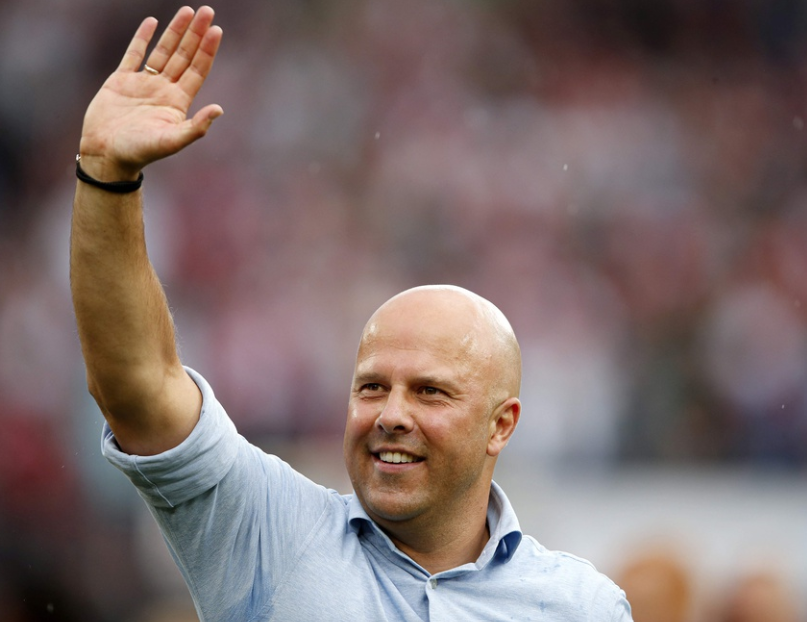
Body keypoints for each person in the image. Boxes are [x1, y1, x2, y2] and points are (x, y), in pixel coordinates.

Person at [70, 6, 633, 621]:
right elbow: (137, 388)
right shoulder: (267, 535)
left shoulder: (582, 606)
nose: (391, 415)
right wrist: (106, 178)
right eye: (371, 387)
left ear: (502, 425)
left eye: (430, 393)